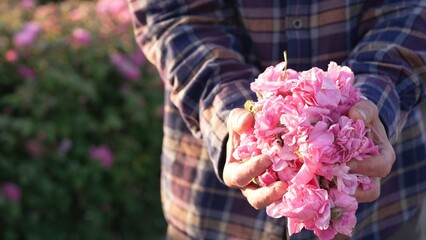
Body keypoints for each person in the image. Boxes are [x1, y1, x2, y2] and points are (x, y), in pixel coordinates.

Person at [127, 0, 426, 239]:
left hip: (384, 215)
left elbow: (412, 8)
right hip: (216, 216)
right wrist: (232, 114)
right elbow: (173, 12)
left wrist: (374, 100)